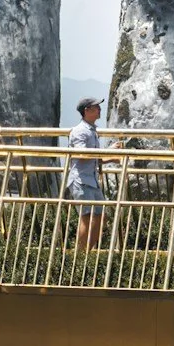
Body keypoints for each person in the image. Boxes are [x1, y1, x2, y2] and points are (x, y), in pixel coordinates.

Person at [67, 95, 105, 248]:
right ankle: (80, 255)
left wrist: (112, 158)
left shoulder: (92, 131)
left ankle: (87, 252)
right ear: (87, 110)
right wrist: (108, 152)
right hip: (81, 181)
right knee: (87, 217)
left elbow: (94, 158)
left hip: (92, 181)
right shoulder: (80, 131)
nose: (99, 110)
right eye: (96, 107)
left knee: (101, 217)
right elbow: (81, 155)